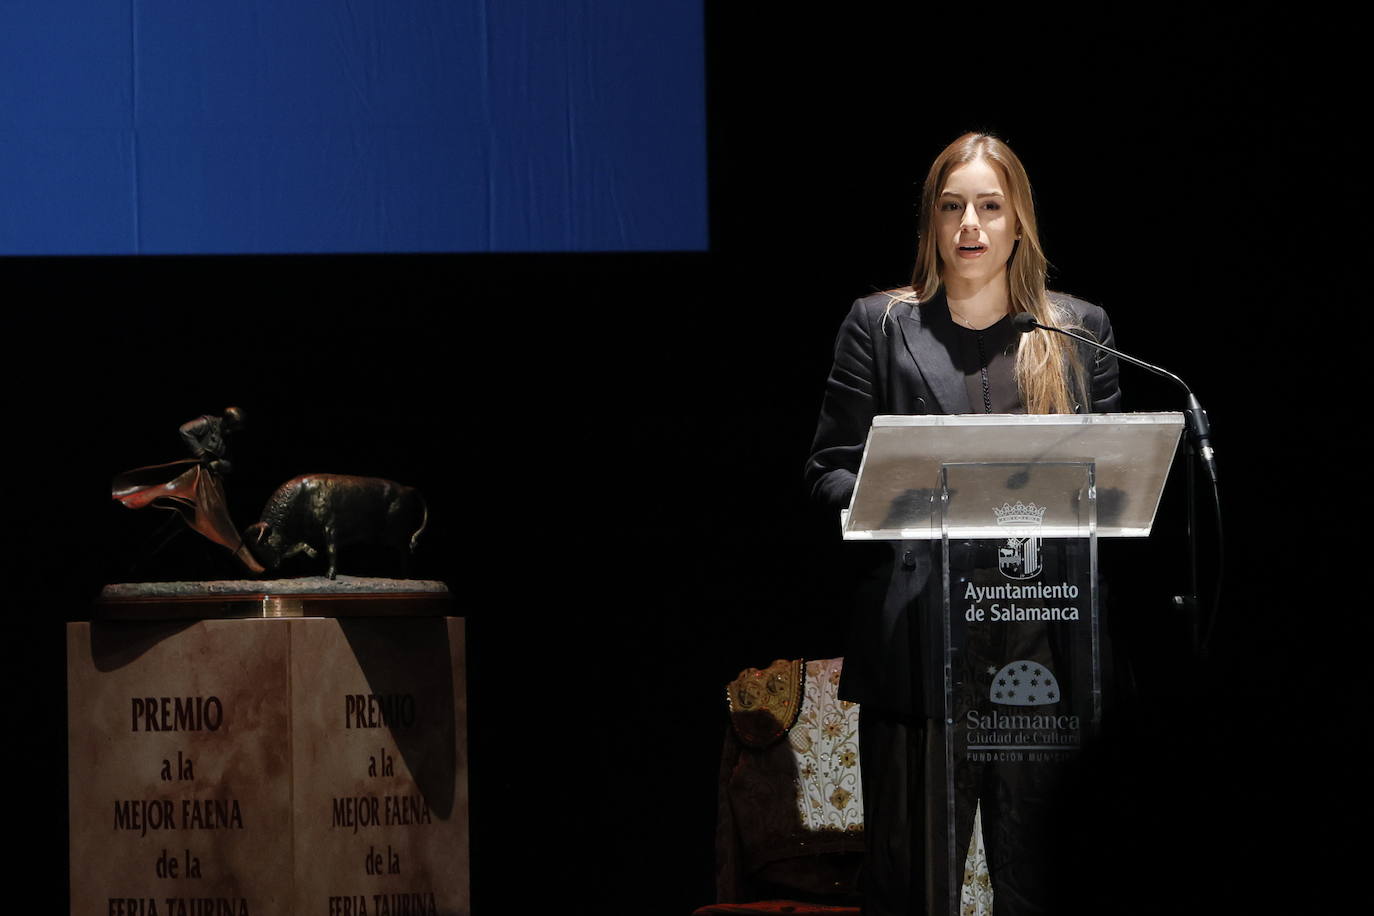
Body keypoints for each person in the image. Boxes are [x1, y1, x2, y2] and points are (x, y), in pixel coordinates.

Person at [805, 132, 1121, 915]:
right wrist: (898, 498)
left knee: (1045, 887)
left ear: (1019, 221)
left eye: (989, 206)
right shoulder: (880, 327)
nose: (969, 226)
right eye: (952, 208)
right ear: (931, 223)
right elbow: (827, 472)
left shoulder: (1075, 334)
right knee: (912, 890)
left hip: (1042, 653)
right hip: (921, 654)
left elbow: (1115, 484)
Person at [112, 406, 265, 575]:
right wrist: (200, 453)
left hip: (211, 482)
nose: (233, 431)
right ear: (227, 421)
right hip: (193, 476)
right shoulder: (208, 423)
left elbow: (230, 463)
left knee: (215, 517)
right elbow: (185, 430)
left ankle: (235, 558)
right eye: (233, 426)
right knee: (199, 514)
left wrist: (219, 464)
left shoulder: (228, 438)